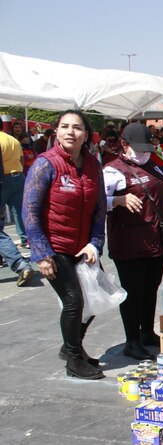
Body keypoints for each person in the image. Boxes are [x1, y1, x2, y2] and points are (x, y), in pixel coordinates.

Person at [22, 110, 106, 380]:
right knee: (74, 301)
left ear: (86, 134)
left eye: (78, 127)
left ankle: (72, 346)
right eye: (65, 127)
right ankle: (73, 359)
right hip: (55, 246)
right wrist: (42, 255)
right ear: (56, 131)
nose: (71, 132)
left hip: (83, 247)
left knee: (97, 296)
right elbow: (30, 212)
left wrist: (95, 243)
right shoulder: (45, 164)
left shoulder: (93, 165)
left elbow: (100, 209)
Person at [104, 123, 163, 360]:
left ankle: (146, 332)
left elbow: (160, 202)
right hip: (129, 244)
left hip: (155, 241)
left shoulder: (154, 167)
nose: (144, 152)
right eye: (139, 148)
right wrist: (117, 201)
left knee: (149, 291)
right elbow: (94, 202)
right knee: (132, 293)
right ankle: (132, 341)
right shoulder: (113, 171)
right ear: (124, 145)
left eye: (148, 147)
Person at [1, 120, 29, 249]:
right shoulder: (13, 140)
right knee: (19, 210)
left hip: (3, 178)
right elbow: (21, 159)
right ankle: (25, 238)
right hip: (18, 176)